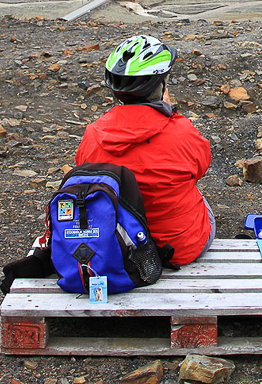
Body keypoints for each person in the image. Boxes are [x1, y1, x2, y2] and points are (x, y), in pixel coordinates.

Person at [75, 34, 215, 266]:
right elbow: (201, 168)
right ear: (159, 86)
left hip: (120, 249)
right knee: (195, 192)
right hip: (179, 248)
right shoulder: (182, 132)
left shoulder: (93, 135)